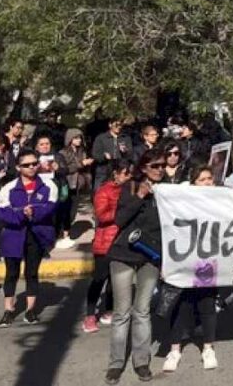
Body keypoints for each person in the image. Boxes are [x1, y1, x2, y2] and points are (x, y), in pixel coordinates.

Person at [105, 149, 164, 384]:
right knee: (121, 313)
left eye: (162, 166)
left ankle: (141, 361)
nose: (160, 169)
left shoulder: (167, 191)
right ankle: (116, 363)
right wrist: (140, 195)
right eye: (155, 166)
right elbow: (119, 220)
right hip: (124, 255)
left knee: (142, 311)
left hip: (151, 257)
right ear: (143, 168)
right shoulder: (129, 187)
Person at [161, 166, 220, 372]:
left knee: (207, 303)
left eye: (209, 178)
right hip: (183, 260)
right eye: (202, 179)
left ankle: (208, 347)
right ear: (193, 182)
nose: (207, 182)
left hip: (206, 260)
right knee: (181, 305)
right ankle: (175, 349)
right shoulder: (181, 200)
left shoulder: (220, 200)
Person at [0, 148, 57, 327]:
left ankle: (30, 310)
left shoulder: (48, 186)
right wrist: (22, 215)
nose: (31, 167)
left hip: (36, 234)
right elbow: (2, 212)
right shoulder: (9, 188)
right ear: (18, 167)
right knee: (11, 273)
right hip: (14, 234)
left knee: (31, 272)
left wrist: (34, 213)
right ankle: (8, 310)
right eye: (26, 165)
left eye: (34, 164)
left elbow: (50, 208)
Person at [85, 160, 133, 333]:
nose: (129, 177)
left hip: (122, 240)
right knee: (99, 279)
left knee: (115, 280)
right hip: (106, 241)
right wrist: (122, 209)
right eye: (126, 173)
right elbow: (102, 215)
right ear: (116, 173)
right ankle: (90, 315)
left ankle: (109, 310)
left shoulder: (130, 190)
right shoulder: (104, 191)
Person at [92, 118, 132, 190]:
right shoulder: (101, 138)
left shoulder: (126, 138)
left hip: (120, 169)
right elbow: (95, 154)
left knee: (120, 190)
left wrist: (125, 151)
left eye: (120, 125)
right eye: (116, 125)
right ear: (110, 125)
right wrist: (104, 156)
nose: (119, 127)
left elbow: (131, 155)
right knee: (100, 189)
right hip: (104, 168)